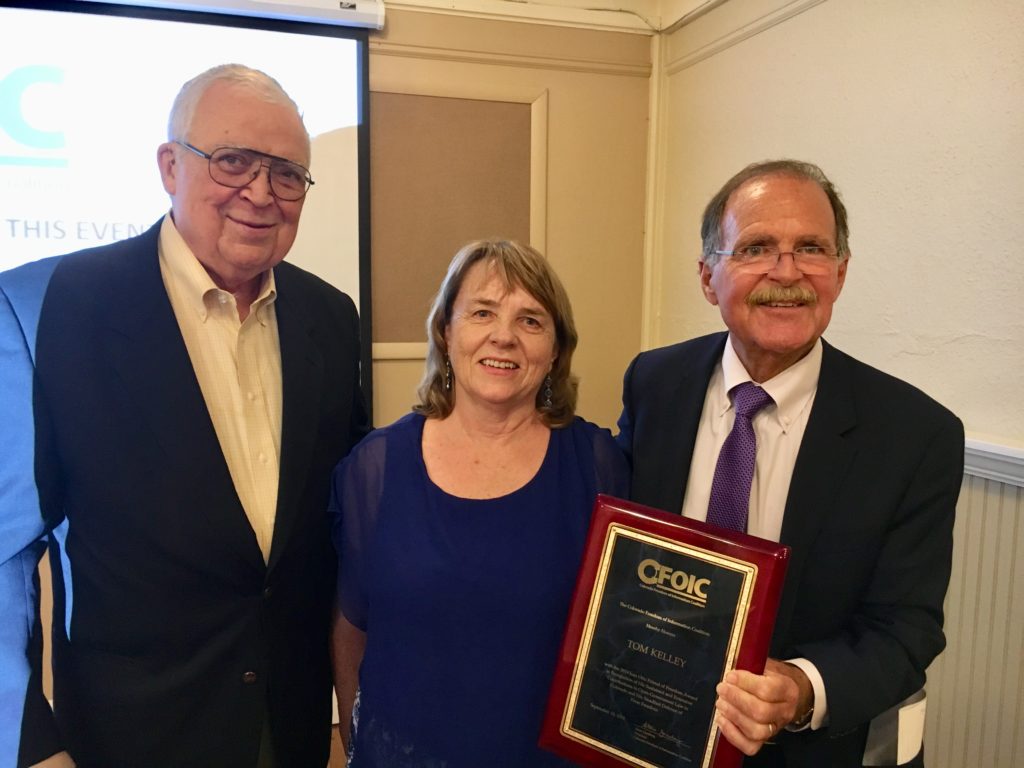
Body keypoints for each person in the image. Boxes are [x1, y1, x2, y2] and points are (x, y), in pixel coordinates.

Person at [0, 64, 369, 768]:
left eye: (287, 174)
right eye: (233, 161)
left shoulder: (329, 317)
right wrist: (30, 746)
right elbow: (3, 550)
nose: (260, 193)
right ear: (171, 166)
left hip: (290, 725)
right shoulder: (50, 308)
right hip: (130, 736)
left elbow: (342, 520)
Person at [616, 160, 963, 767]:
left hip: (800, 752)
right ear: (707, 276)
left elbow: (906, 630)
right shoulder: (654, 382)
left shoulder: (915, 435)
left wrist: (801, 690)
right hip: (646, 726)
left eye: (811, 248)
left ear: (841, 272)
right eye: (756, 247)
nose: (788, 273)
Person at [329, 239, 629, 767]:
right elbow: (351, 626)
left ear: (556, 349)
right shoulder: (373, 467)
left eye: (531, 320)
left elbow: (621, 635)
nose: (504, 337)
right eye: (482, 312)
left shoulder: (597, 465)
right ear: (446, 332)